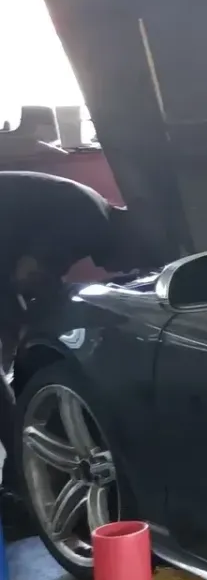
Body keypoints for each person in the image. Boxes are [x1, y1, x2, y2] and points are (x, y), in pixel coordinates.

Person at [0, 171, 135, 436]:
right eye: (137, 259)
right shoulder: (91, 221)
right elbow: (30, 275)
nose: (126, 268)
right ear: (134, 236)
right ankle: (16, 444)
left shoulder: (88, 204)